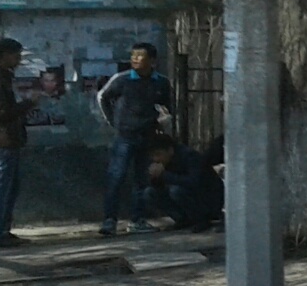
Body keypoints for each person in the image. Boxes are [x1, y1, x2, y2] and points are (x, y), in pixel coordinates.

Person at [96, 42, 176, 236]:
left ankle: (137, 220)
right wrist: (114, 122)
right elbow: (103, 97)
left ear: (152, 61)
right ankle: (109, 220)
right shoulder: (122, 79)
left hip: (148, 137)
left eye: (140, 55)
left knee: (142, 180)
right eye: (133, 55)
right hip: (125, 136)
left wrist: (163, 123)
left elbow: (167, 107)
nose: (135, 59)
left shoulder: (161, 82)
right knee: (116, 177)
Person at [0, 38, 40, 249]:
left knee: (9, 186)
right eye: (16, 55)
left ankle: (2, 230)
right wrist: (28, 103)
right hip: (3, 139)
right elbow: (1, 113)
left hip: (6, 138)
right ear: (4, 55)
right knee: (2, 186)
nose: (19, 60)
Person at [144, 137, 224, 231]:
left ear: (170, 150)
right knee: (149, 193)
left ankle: (202, 219)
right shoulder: (163, 162)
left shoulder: (189, 156)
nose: (156, 159)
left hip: (208, 198)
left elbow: (194, 182)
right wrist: (155, 177)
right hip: (188, 195)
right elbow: (159, 187)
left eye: (158, 154)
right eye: (153, 156)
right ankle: (182, 219)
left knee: (176, 191)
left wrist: (165, 175)